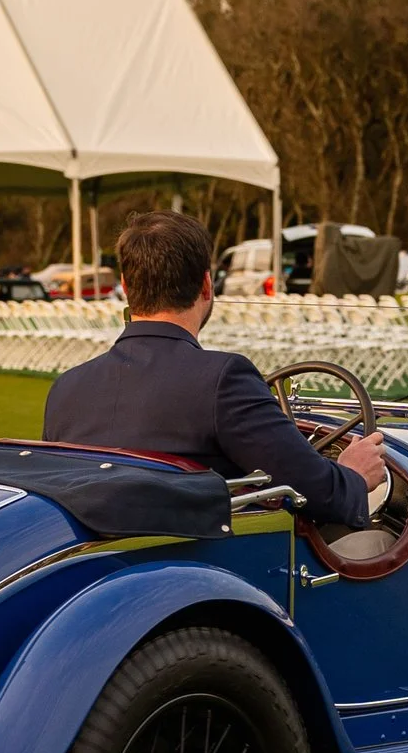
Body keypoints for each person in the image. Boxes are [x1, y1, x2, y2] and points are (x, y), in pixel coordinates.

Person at [45, 210, 388, 529]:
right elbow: (317, 492)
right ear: (206, 285)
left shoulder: (66, 388)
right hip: (202, 565)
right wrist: (353, 476)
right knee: (375, 539)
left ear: (126, 284)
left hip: (96, 564)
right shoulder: (222, 378)